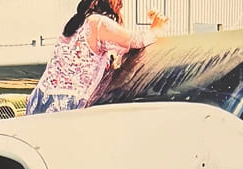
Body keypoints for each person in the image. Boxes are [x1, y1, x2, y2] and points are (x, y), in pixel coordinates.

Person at [27, 1, 167, 115]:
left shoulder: (74, 23)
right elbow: (136, 41)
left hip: (41, 99)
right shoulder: (97, 23)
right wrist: (156, 27)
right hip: (65, 105)